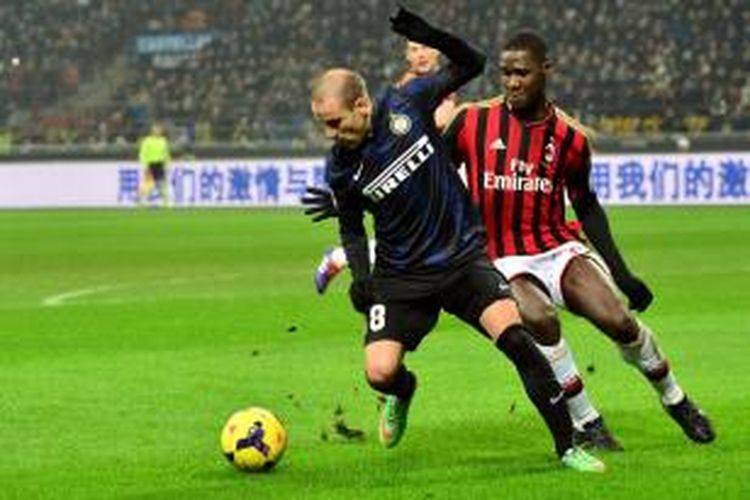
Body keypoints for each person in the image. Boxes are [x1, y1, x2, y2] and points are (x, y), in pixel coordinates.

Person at [309, 7, 604, 472]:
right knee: (380, 372)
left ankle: (568, 448)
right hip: (401, 274)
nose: (327, 133)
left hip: (462, 259)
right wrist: (362, 279)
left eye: (332, 122)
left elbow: (473, 62)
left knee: (518, 342)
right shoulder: (341, 166)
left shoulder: (407, 104)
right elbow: (350, 224)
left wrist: (430, 35)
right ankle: (403, 393)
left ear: (362, 105)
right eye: (322, 124)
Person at [440, 31, 714, 445]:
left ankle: (676, 400)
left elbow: (586, 204)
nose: (512, 82)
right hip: (498, 255)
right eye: (505, 73)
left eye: (522, 73)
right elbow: (432, 173)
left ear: (545, 72)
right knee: (540, 319)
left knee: (619, 322)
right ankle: (589, 423)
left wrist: (622, 274)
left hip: (555, 246)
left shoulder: (570, 137)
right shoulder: (472, 120)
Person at [309, 39, 458, 294]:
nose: (420, 54)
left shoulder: (441, 85)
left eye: (425, 47)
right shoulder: (408, 89)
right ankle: (342, 257)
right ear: (406, 56)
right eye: (413, 49)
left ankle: (340, 257)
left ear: (437, 51)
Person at [137, 122, 171, 205]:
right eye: (155, 130)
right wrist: (145, 165)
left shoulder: (163, 141)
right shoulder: (147, 140)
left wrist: (167, 165)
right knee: (147, 184)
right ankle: (140, 201)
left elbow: (166, 154)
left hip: (160, 164)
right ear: (152, 131)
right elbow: (142, 154)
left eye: (159, 130)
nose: (157, 131)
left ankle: (166, 203)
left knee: (162, 184)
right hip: (150, 165)